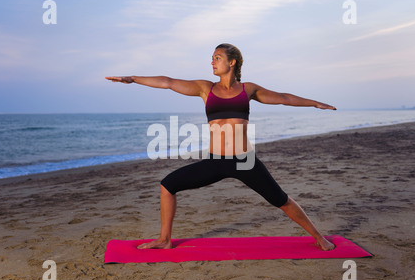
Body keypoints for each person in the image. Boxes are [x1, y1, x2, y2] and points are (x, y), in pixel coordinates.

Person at [106, 43, 336, 251]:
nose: (212, 62)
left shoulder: (248, 90)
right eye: (212, 58)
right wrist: (133, 78)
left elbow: (284, 98)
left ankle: (318, 237)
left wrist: (314, 103)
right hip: (216, 161)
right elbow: (167, 82)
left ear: (232, 62)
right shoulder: (205, 88)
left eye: (217, 58)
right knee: (167, 185)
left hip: (244, 161)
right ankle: (165, 239)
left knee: (280, 199)